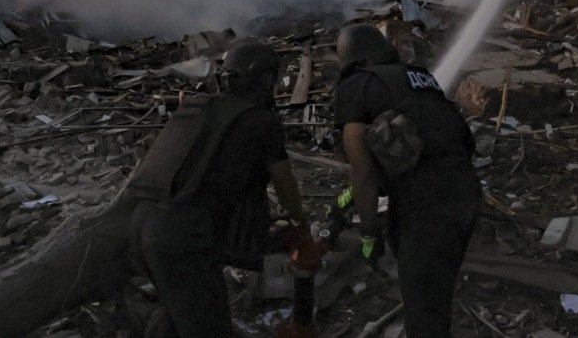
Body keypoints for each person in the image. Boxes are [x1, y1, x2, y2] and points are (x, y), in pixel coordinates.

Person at [127, 42, 314, 338]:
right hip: (183, 239)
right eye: (271, 79)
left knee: (175, 318)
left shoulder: (199, 107)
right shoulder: (260, 121)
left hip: (141, 226)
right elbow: (284, 181)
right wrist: (299, 222)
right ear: (262, 79)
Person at [333, 23, 481, 337]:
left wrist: (369, 233)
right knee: (432, 296)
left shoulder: (357, 85)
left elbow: (363, 171)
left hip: (428, 205)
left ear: (349, 59)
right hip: (464, 192)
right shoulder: (419, 77)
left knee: (424, 309)